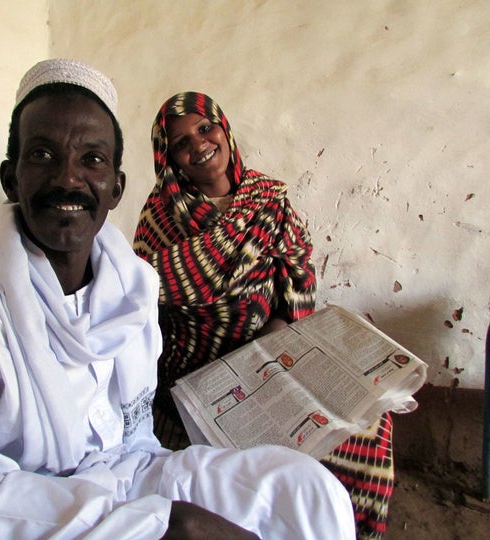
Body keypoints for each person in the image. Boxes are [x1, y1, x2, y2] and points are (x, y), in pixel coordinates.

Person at [0, 60, 355, 539]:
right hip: (26, 510)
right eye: (42, 155)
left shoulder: (133, 287)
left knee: (305, 491)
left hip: (128, 473)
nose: (68, 178)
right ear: (10, 179)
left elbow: (134, 441)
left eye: (92, 159)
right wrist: (157, 527)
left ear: (116, 187)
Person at [134, 92, 394, 539]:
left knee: (370, 427)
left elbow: (298, 277)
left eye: (204, 128)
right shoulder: (159, 219)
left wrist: (277, 335)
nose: (198, 145)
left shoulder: (269, 200)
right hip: (195, 374)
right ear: (169, 158)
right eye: (180, 142)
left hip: (271, 359)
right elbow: (141, 309)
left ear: (224, 128)